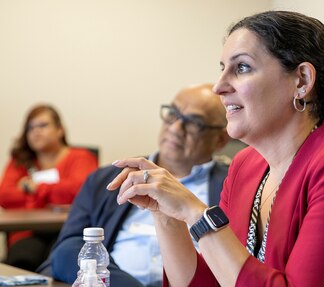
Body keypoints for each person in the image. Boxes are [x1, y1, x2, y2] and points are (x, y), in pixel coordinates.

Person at [109, 11, 324, 286]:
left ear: (301, 80)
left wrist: (196, 213)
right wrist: (166, 213)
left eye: (242, 67)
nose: (219, 86)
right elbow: (214, 282)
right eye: (222, 68)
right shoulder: (246, 164)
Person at [37, 83, 230, 287]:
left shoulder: (233, 186)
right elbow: (68, 250)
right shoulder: (108, 179)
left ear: (220, 139)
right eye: (172, 113)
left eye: (194, 122)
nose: (175, 128)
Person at [0, 104, 98, 271]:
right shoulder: (20, 160)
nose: (36, 132)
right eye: (30, 128)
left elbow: (79, 191)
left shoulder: (81, 157)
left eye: (43, 125)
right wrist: (54, 193)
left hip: (68, 231)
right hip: (27, 232)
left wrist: (35, 189)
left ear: (60, 130)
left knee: (61, 262)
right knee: (22, 259)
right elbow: (5, 195)